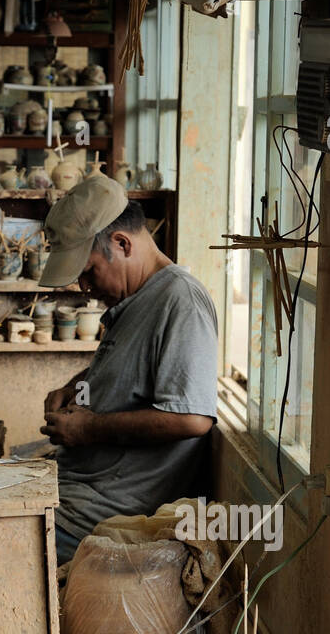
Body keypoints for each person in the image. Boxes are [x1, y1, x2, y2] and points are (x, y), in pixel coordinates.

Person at [37, 175, 218, 563]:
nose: (84, 287)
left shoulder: (180, 300)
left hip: (101, 516)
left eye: (88, 272)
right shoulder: (136, 299)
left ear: (121, 244)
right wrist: (76, 387)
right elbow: (128, 372)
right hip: (73, 489)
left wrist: (88, 428)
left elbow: (192, 419)